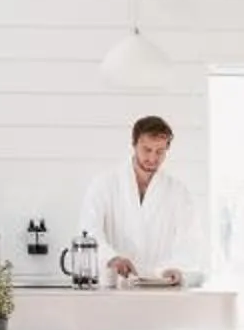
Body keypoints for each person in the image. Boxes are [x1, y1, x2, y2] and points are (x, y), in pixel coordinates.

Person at [78, 115, 203, 286]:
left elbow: (189, 240)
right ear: (134, 145)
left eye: (160, 152)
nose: (152, 158)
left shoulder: (178, 192)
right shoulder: (104, 184)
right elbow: (89, 229)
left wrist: (175, 267)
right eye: (147, 150)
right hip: (115, 286)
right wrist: (111, 258)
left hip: (160, 287)